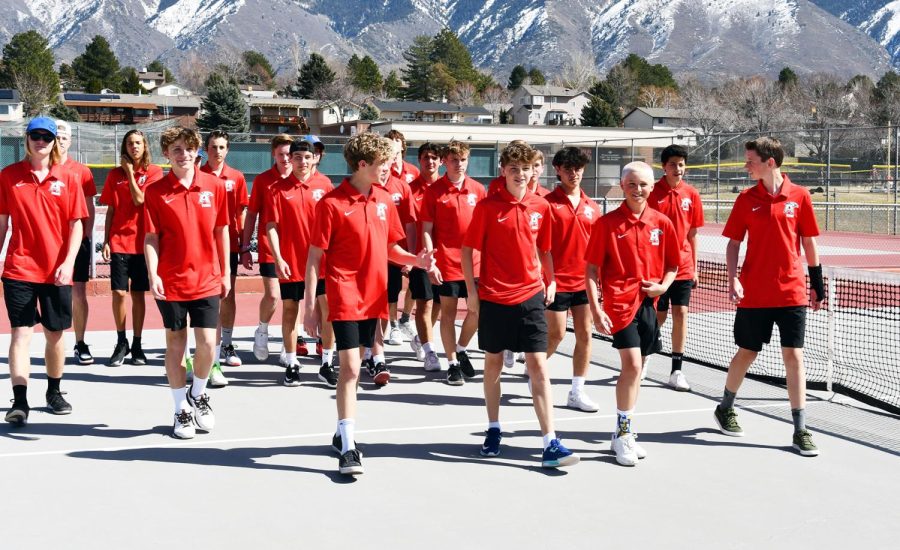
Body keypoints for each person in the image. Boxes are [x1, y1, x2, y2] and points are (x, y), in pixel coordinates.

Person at [302, 132, 434, 476]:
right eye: (383, 163)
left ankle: (340, 431)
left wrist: (417, 261)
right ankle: (348, 447)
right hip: (344, 294)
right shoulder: (330, 204)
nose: (390, 168)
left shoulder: (384, 200)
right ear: (363, 165)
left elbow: (391, 248)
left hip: (374, 297)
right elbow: (315, 257)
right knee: (350, 369)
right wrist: (310, 307)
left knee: (356, 367)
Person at [461, 141, 579, 469]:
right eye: (514, 169)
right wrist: (472, 291)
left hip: (531, 296)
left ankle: (550, 441)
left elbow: (545, 250)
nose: (521, 175)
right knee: (493, 363)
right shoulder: (487, 208)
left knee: (539, 366)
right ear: (503, 171)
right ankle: (494, 428)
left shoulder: (541, 207)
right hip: (495, 297)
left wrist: (551, 279)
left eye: (526, 169)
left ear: (532, 171)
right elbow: (467, 251)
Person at [715, 137, 823, 457]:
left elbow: (809, 243)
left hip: (792, 292)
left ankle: (800, 429)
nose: (746, 166)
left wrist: (817, 283)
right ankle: (725, 407)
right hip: (754, 293)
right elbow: (734, 243)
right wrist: (732, 278)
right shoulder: (746, 199)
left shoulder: (800, 196)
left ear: (770, 162)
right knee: (747, 353)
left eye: (751, 161)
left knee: (794, 357)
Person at [585, 161, 680, 467]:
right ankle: (624, 434)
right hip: (618, 304)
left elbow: (673, 266)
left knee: (637, 371)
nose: (638, 190)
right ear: (622, 186)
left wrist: (663, 287)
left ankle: (621, 431)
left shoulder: (662, 223)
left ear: (653, 187)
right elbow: (591, 270)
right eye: (632, 184)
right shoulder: (607, 224)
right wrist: (597, 309)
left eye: (644, 185)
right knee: (632, 365)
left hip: (648, 304)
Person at [144, 126, 229, 439]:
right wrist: (153, 274)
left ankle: (199, 393)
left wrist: (226, 272)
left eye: (190, 149)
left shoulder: (214, 186)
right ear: (167, 154)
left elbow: (222, 230)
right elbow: (151, 237)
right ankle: (180, 408)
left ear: (198, 152)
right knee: (176, 344)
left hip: (207, 278)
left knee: (208, 343)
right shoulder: (156, 192)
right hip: (171, 280)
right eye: (177, 149)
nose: (184, 155)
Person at [1, 117, 87, 425]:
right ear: (26, 139)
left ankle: (54, 392)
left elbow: (77, 225)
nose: (41, 141)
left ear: (54, 142)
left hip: (56, 272)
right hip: (19, 268)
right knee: (21, 333)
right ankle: (20, 400)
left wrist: (68, 262)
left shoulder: (68, 178)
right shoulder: (8, 176)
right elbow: (2, 223)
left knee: (54, 333)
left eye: (47, 137)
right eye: (35, 136)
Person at [266, 139, 335, 387]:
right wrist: (278, 257)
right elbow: (271, 227)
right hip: (292, 263)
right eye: (297, 157)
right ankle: (293, 363)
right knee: (290, 312)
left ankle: (327, 363)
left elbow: (334, 224)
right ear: (290, 159)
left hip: (323, 264)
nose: (302, 162)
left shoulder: (325, 185)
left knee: (327, 312)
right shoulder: (277, 189)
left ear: (314, 158)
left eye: (307, 157)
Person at [421, 140, 485, 385]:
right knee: (447, 315)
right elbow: (426, 229)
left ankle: (460, 348)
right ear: (445, 162)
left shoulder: (478, 190)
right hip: (446, 262)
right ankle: (452, 364)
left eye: (463, 160)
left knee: (475, 311)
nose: (459, 164)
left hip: (476, 262)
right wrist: (431, 261)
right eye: (454, 160)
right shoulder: (434, 191)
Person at [542, 147, 601, 411]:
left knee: (585, 335)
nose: (573, 174)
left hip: (584, 283)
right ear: (557, 170)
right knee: (555, 335)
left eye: (577, 169)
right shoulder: (548, 204)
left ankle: (577, 391)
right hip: (556, 281)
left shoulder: (592, 207)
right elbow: (543, 248)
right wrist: (550, 279)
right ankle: (536, 369)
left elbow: (597, 248)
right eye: (568, 169)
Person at [99, 130, 164, 366]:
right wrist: (106, 240)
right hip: (119, 241)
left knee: (138, 294)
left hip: (142, 242)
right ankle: (121, 341)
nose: (133, 146)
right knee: (118, 293)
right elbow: (111, 210)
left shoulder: (154, 172)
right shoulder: (114, 175)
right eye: (129, 143)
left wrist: (129, 172)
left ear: (144, 146)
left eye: (137, 143)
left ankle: (137, 344)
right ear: (124, 147)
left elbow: (141, 200)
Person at [648, 144, 704, 391]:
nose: (678, 168)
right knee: (658, 316)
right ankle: (644, 353)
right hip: (656, 268)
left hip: (682, 266)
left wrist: (695, 267)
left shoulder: (691, 194)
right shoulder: (651, 193)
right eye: (673, 164)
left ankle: (676, 370)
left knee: (681, 313)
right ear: (664, 167)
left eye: (681, 164)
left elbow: (692, 234)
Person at [200, 130, 248, 386]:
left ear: (227, 150)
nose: (217, 151)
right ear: (205, 149)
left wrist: (242, 244)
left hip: (227, 246)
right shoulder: (199, 175)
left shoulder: (237, 178)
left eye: (221, 147)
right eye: (213, 147)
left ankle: (226, 344)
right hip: (202, 247)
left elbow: (240, 212)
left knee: (227, 294)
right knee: (204, 298)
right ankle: (202, 349)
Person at [241, 134, 293, 362]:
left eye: (289, 154)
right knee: (273, 295)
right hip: (269, 248)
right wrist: (245, 246)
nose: (285, 158)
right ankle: (262, 330)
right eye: (281, 154)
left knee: (294, 300)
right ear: (273, 154)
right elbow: (251, 213)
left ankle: (289, 344)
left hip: (296, 250)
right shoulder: (263, 181)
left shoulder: (301, 179)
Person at [55, 121, 97, 366]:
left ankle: (80, 342)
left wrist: (84, 239)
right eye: (56, 136)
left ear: (70, 141)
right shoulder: (41, 168)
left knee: (78, 293)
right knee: (52, 293)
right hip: (48, 244)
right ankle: (55, 339)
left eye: (63, 138)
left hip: (76, 241)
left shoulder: (81, 171)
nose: (59, 141)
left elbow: (89, 209)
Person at [407, 142, 443, 372]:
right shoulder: (410, 189)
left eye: (434, 157)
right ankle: (430, 350)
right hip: (421, 256)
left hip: (446, 258)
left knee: (439, 304)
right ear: (419, 160)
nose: (430, 161)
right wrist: (411, 258)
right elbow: (410, 225)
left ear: (440, 161)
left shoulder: (446, 187)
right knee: (425, 303)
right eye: (425, 157)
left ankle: (421, 338)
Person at [387, 129, 419, 339]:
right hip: (390, 238)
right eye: (389, 142)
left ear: (402, 145)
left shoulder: (413, 172)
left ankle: (405, 317)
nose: (393, 145)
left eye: (396, 141)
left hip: (410, 233)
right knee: (392, 287)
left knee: (415, 283)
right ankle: (392, 325)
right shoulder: (381, 171)